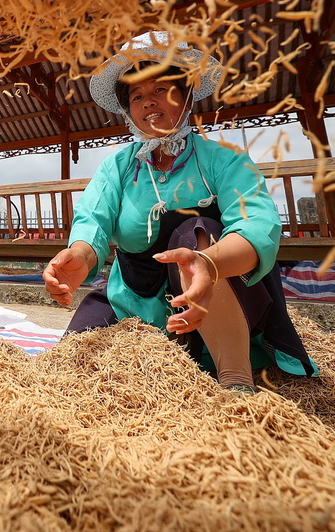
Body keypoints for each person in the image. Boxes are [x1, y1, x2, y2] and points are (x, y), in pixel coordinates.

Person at [42, 42, 317, 393]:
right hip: (136, 292)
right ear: (129, 110)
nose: (148, 102)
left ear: (186, 96)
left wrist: (209, 264)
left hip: (218, 294)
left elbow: (257, 226)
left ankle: (235, 377)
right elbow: (93, 218)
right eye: (137, 96)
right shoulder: (118, 167)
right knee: (71, 365)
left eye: (160, 89)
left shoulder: (225, 160)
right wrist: (79, 255)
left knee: (195, 231)